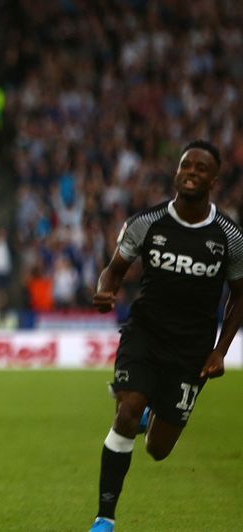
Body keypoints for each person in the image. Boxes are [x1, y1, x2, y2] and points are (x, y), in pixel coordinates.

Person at [88, 140, 243, 532]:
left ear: (214, 179)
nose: (191, 171)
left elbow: (241, 296)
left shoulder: (229, 236)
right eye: (185, 165)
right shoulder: (147, 222)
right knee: (126, 410)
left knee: (158, 449)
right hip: (145, 332)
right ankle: (104, 518)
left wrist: (220, 350)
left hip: (191, 348)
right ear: (176, 173)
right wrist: (106, 290)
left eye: (201, 167)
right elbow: (115, 269)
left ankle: (151, 413)